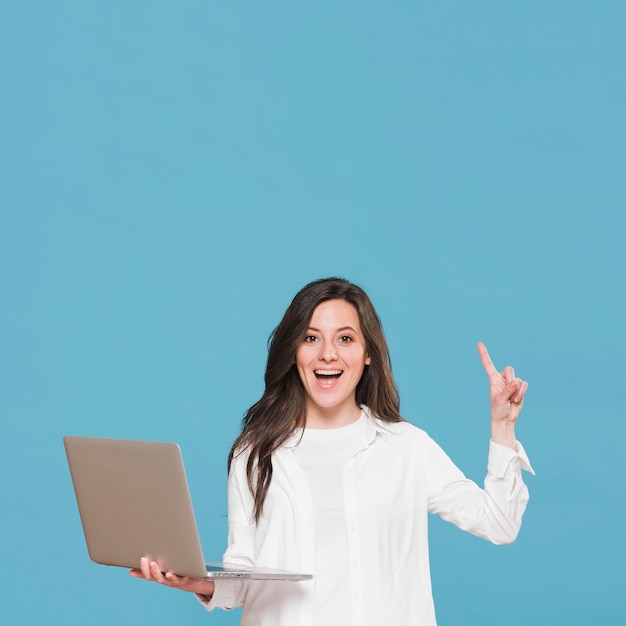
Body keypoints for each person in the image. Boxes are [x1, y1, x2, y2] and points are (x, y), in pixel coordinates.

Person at [130, 277, 534, 625]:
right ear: (294, 351)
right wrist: (197, 582)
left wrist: (502, 425)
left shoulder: (406, 447)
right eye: (311, 338)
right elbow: (245, 576)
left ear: (367, 353)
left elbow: (499, 523)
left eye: (345, 338)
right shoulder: (255, 453)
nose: (328, 353)